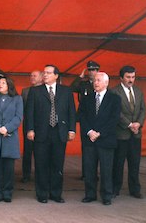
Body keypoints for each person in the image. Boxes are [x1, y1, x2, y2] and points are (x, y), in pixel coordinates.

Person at [26, 65, 76, 204]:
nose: (45, 75)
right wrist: (30, 129)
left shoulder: (66, 91)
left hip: (59, 132)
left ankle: (56, 193)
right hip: (41, 132)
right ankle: (42, 193)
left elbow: (71, 111)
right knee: (41, 164)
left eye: (48, 73)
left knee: (57, 165)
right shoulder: (35, 91)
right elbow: (29, 112)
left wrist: (72, 130)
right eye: (44, 73)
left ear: (56, 76)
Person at [79, 72, 121, 205]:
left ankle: (106, 195)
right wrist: (90, 132)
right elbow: (82, 116)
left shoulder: (114, 99)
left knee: (106, 170)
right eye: (94, 80)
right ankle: (90, 194)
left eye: (98, 80)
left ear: (106, 83)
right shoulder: (86, 98)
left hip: (106, 139)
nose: (95, 83)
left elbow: (114, 119)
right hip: (89, 140)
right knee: (90, 169)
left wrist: (100, 133)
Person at [0, 77, 23, 203]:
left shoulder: (17, 99)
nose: (0, 85)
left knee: (8, 167)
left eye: (3, 83)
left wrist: (7, 128)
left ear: (9, 85)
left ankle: (7, 192)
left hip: (10, 137)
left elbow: (18, 117)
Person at [112, 66, 146, 199]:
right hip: (121, 134)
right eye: (128, 77)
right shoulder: (114, 92)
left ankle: (135, 189)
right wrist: (130, 124)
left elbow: (143, 109)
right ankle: (115, 188)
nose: (131, 80)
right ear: (121, 78)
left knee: (135, 163)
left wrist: (138, 123)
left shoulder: (138, 91)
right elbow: (116, 112)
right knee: (118, 163)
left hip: (135, 134)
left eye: (132, 77)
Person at [70, 60, 100, 180]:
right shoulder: (84, 84)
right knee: (86, 148)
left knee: (99, 147)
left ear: (98, 71)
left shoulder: (102, 83)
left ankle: (96, 173)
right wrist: (80, 77)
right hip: (85, 118)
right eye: (89, 70)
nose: (91, 72)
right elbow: (71, 88)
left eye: (93, 70)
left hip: (98, 118)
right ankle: (86, 173)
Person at [21, 70, 43, 183]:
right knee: (27, 152)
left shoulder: (46, 90)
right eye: (31, 76)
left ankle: (40, 175)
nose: (32, 77)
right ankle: (26, 175)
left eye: (35, 75)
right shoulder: (25, 91)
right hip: (28, 125)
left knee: (41, 152)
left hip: (43, 127)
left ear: (41, 77)